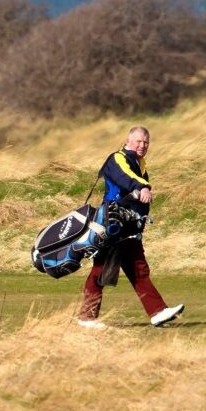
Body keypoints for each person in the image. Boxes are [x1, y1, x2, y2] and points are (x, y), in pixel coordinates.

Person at [77, 126, 184, 329]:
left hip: (129, 227)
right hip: (113, 225)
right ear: (128, 141)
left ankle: (158, 312)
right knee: (101, 269)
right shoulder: (118, 158)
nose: (143, 145)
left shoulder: (139, 163)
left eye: (146, 142)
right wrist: (142, 186)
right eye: (138, 141)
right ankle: (86, 318)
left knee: (138, 269)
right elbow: (124, 177)